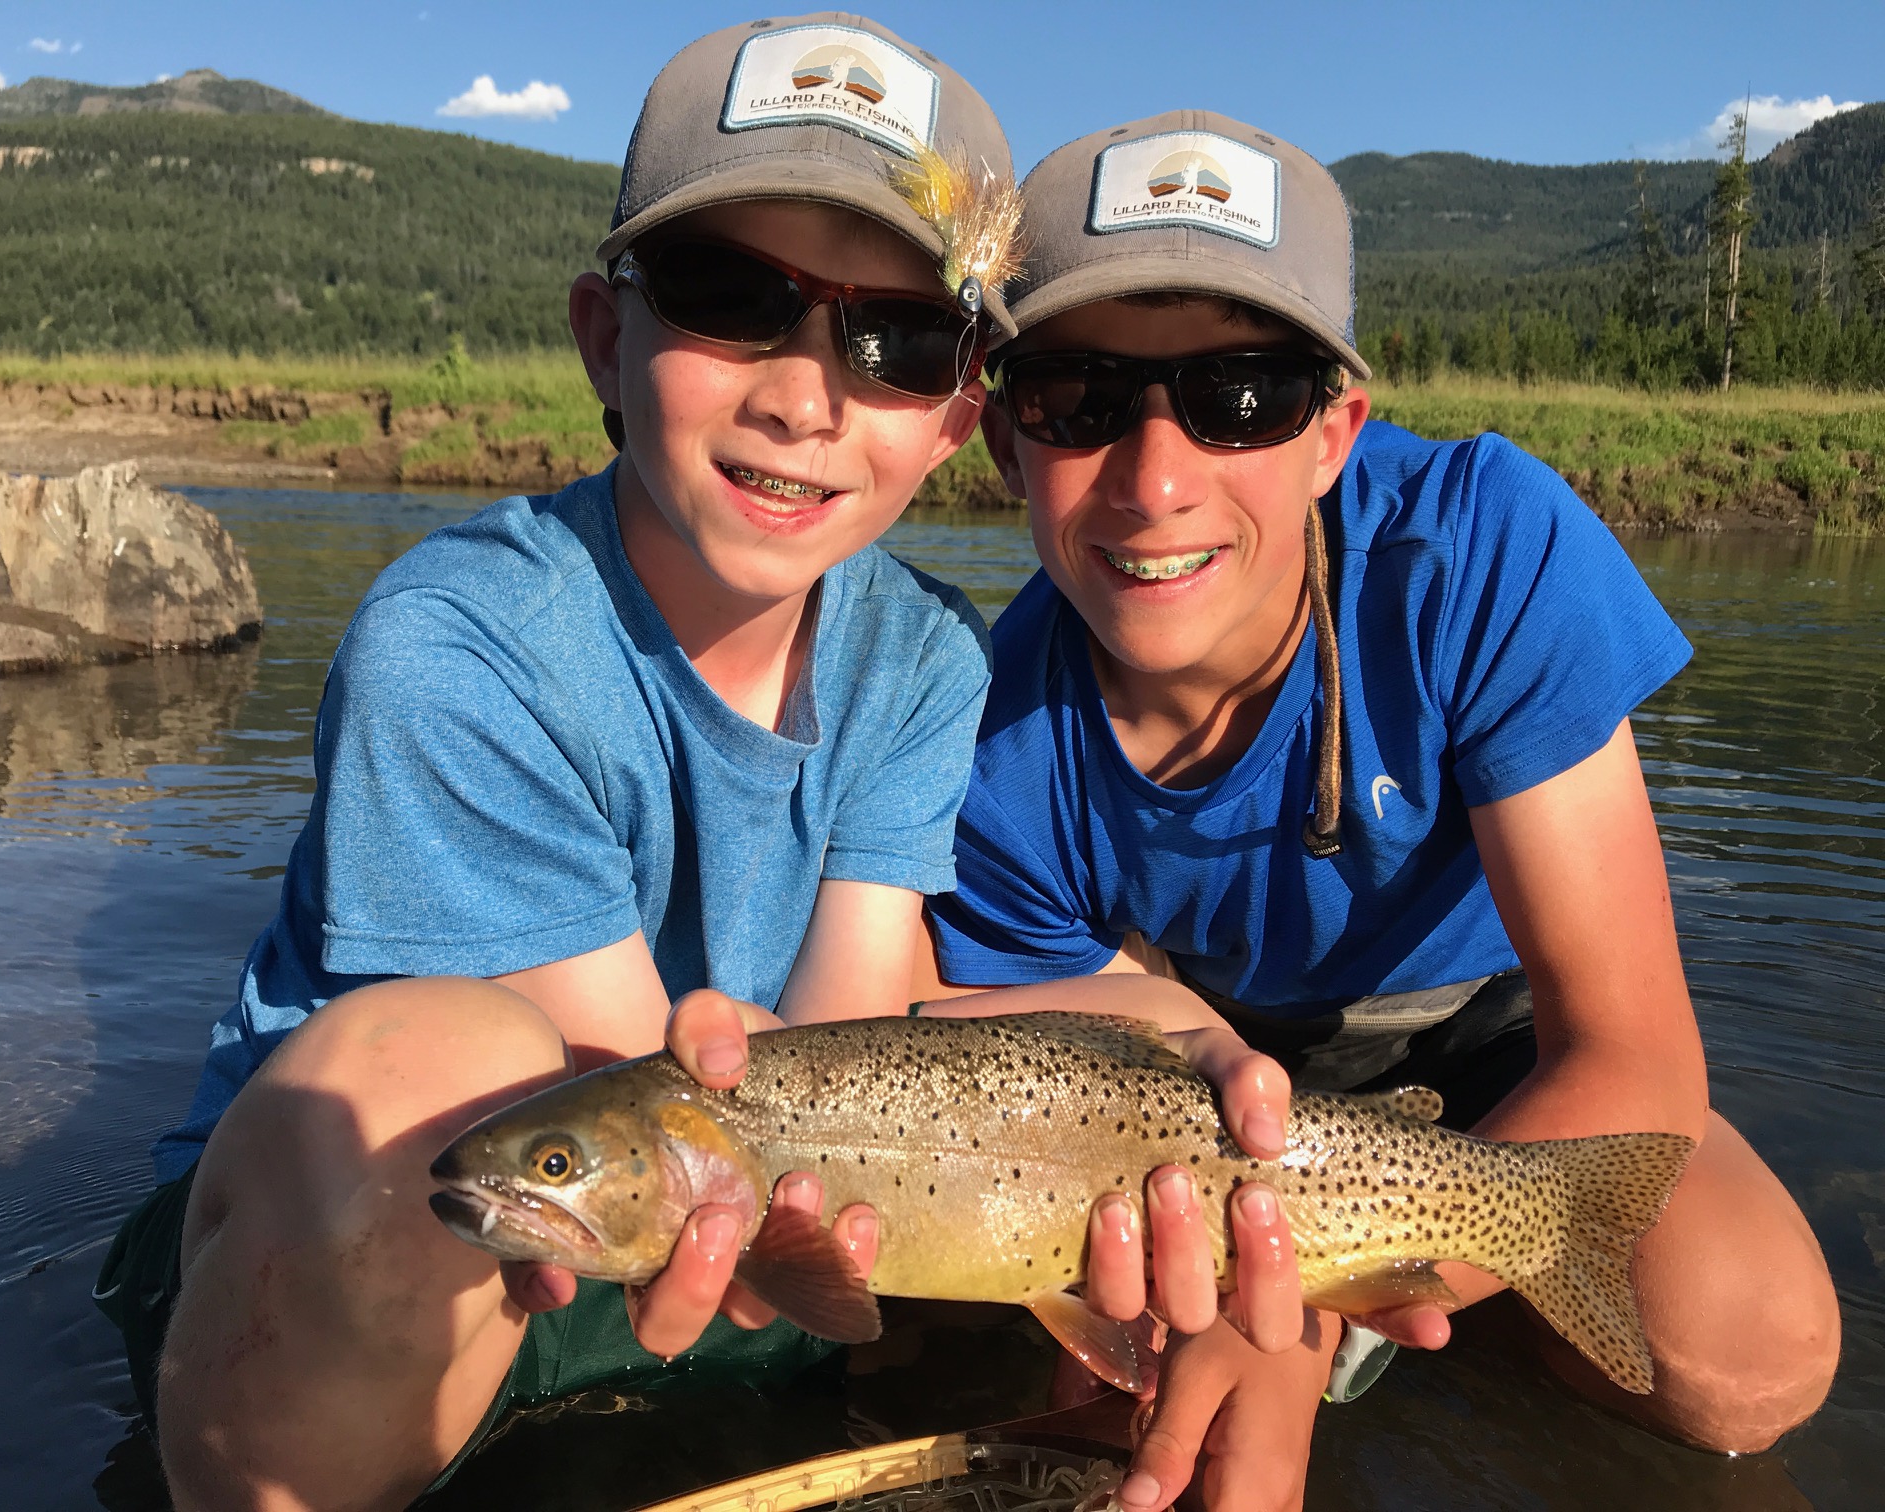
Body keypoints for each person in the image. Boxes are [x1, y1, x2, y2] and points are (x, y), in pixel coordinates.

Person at [89, 16, 1054, 1508]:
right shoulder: (459, 640)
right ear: (607, 337)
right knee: (447, 1077)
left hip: (704, 1250)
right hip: (368, 1267)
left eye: (898, 342)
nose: (805, 396)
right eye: (735, 299)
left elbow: (840, 1051)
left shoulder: (928, 657)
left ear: (953, 422)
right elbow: (620, 1097)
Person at [917, 109, 1843, 1512]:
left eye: (1243, 399)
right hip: (1182, 1119)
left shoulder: (1480, 550)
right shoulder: (984, 750)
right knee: (1115, 1417)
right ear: (1004, 440)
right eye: (1082, 398)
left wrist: (1321, 1316)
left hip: (1493, 1060)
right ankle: (1435, 1333)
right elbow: (1076, 1101)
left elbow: (1633, 1057)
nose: (1157, 480)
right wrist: (1214, 1291)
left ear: (1338, 431)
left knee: (1743, 1357)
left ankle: (1429, 1324)